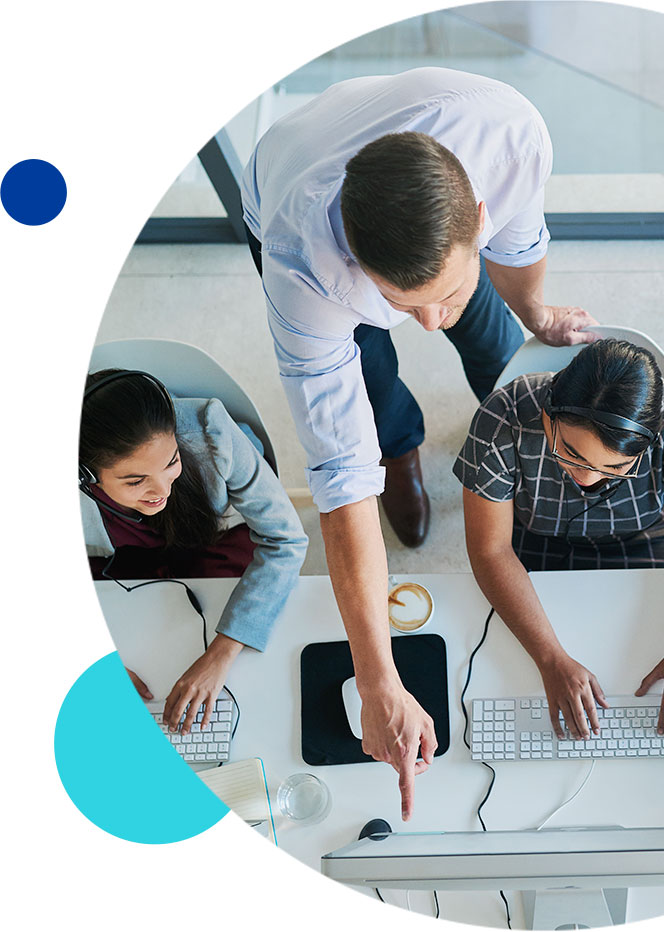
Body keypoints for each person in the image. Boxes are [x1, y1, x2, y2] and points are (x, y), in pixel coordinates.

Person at [240, 68, 598, 819]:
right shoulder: (302, 268)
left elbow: (521, 239)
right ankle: (403, 448)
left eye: (443, 292)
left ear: (476, 210)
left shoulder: (508, 134)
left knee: (492, 334)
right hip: (286, 175)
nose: (428, 323)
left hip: (429, 164)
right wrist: (379, 680)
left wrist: (532, 311)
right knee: (370, 377)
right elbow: (341, 481)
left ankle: (505, 417)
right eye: (407, 304)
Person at [454, 339, 664, 740]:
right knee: (514, 671)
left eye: (616, 467)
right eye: (572, 454)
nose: (588, 478)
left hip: (648, 534)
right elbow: (490, 548)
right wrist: (551, 660)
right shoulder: (502, 418)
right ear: (547, 415)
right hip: (539, 537)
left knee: (652, 647)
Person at [80, 369, 309, 733]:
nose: (161, 491)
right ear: (87, 476)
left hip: (211, 539)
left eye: (171, 462)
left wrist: (220, 654)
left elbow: (287, 540)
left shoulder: (209, 429)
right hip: (116, 557)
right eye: (135, 480)